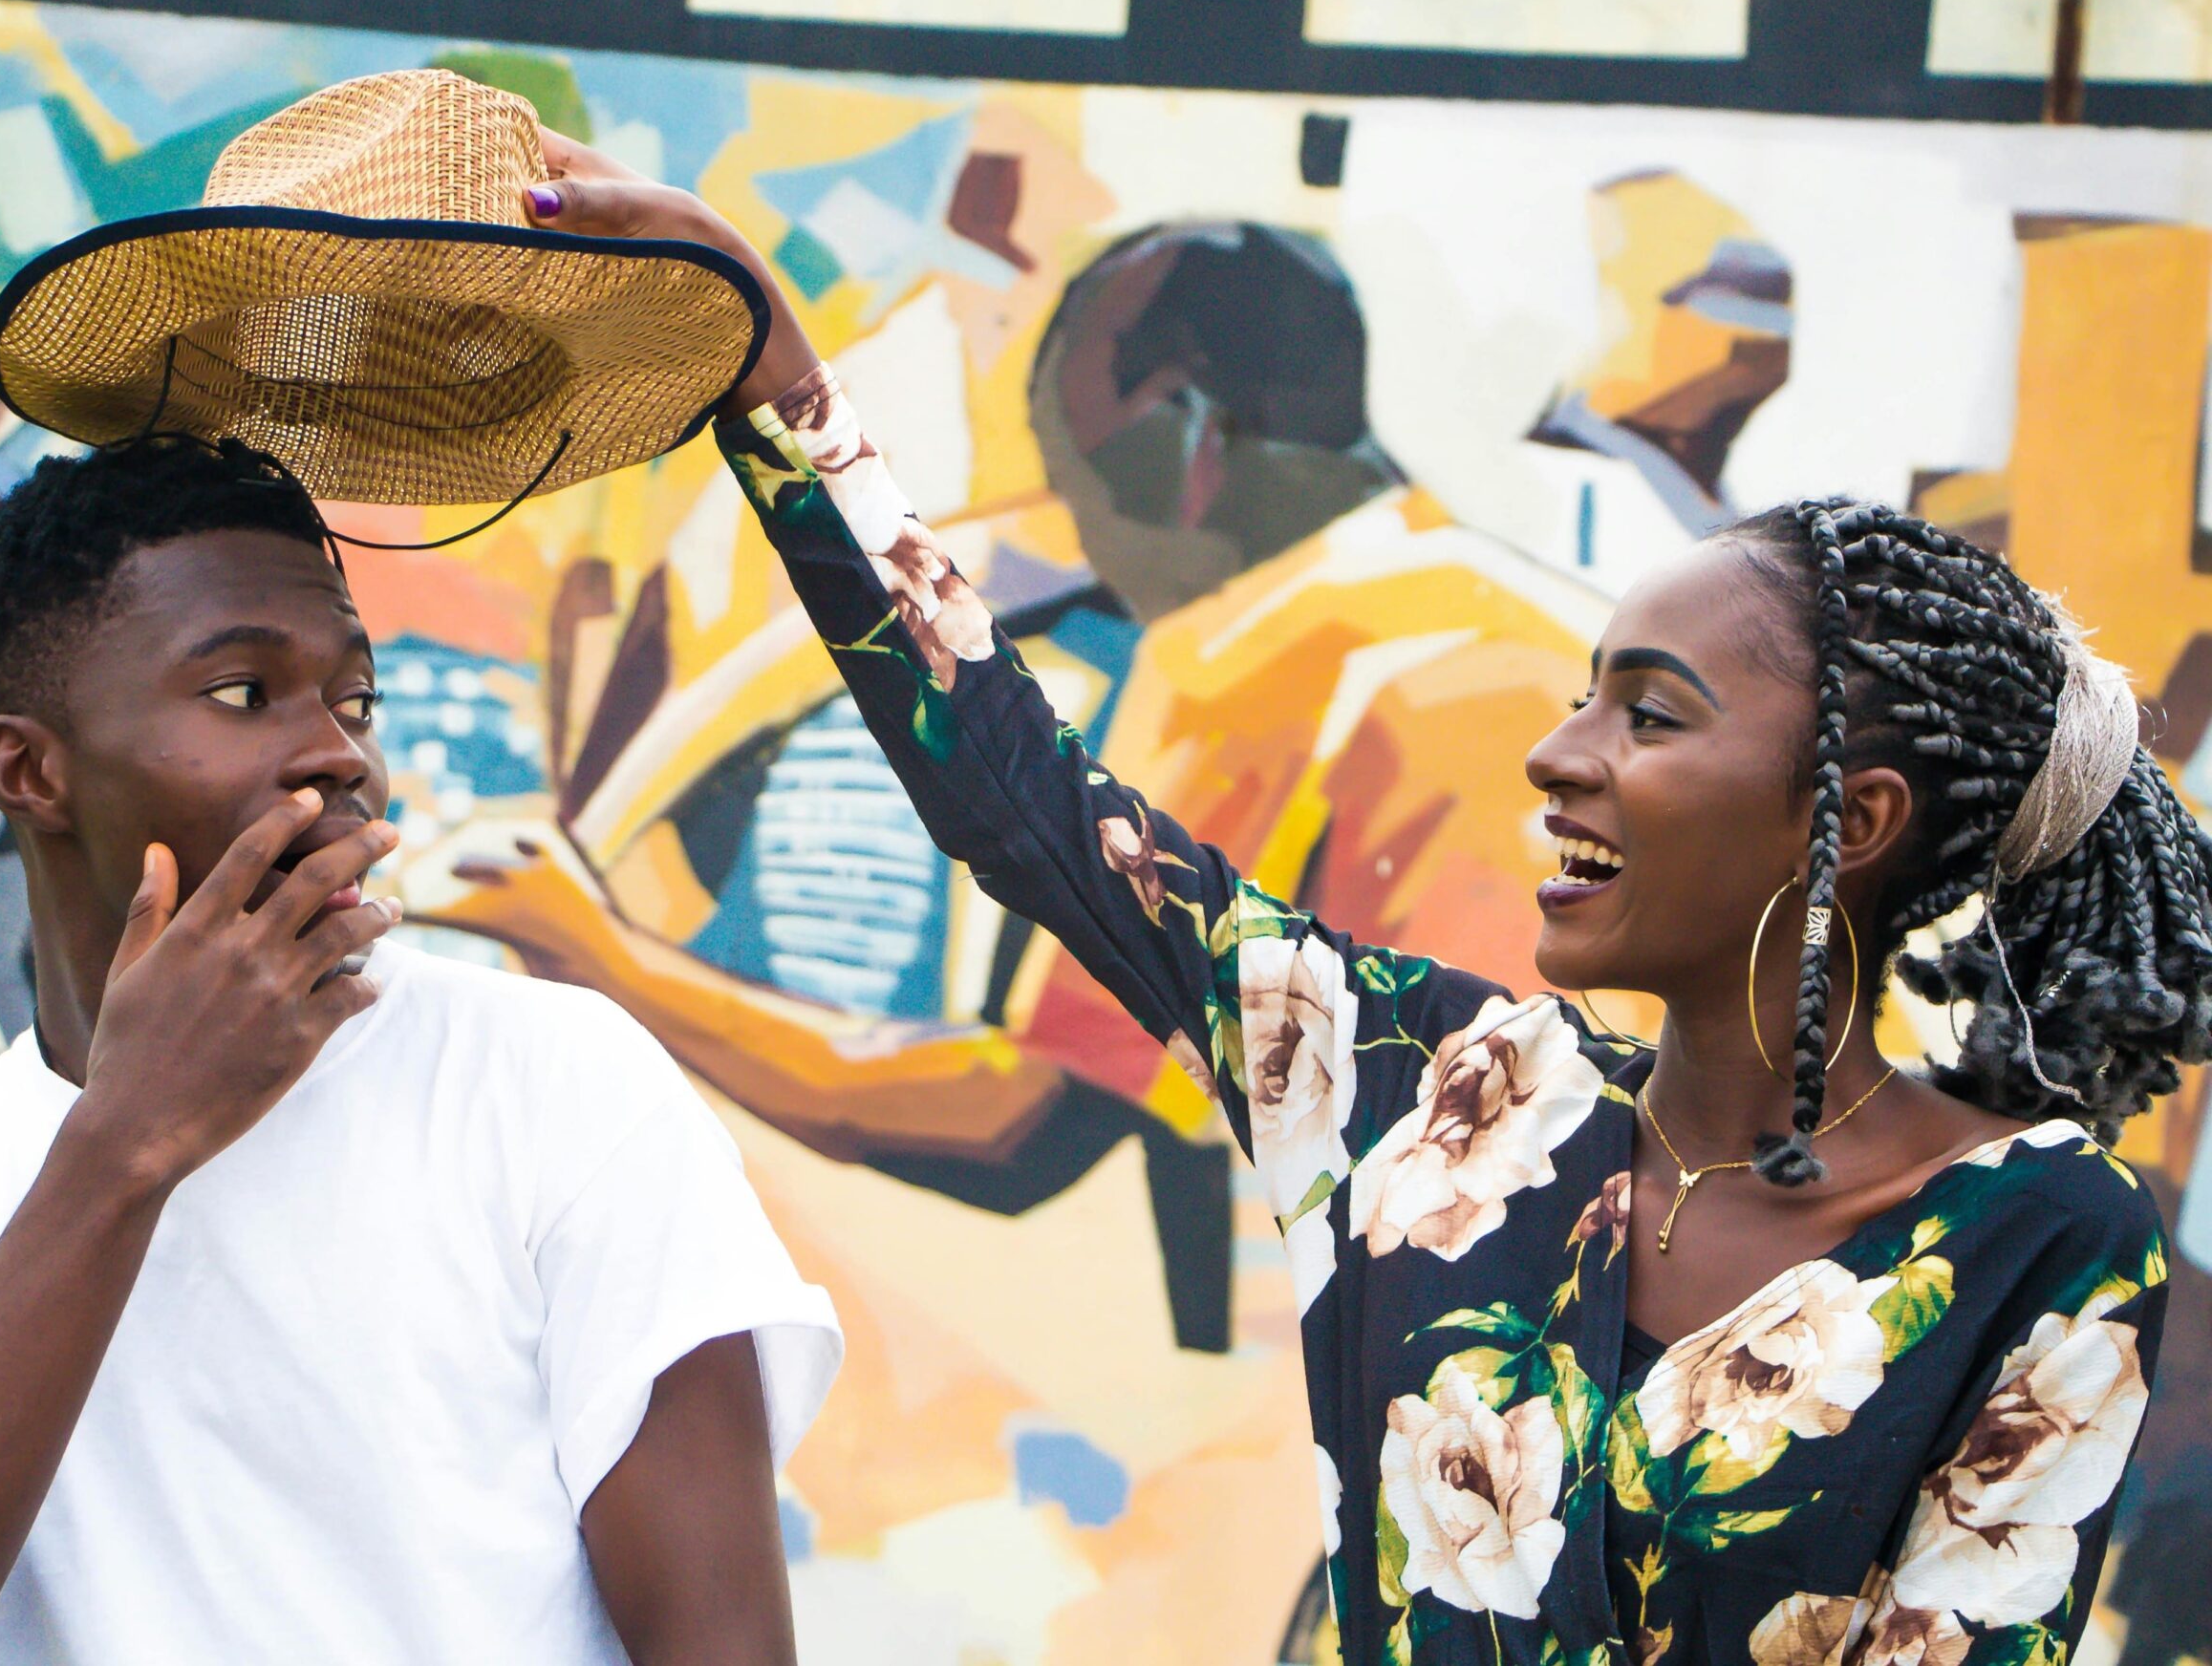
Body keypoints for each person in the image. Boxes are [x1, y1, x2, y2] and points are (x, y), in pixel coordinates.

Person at [517, 144, 2208, 1661]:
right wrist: (781, 389)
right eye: (1581, 694)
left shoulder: (2039, 1239)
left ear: (1851, 821)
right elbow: (1028, 801)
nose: (1560, 754)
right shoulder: (1437, 1092)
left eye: (1652, 713)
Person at [0, 430, 842, 1663]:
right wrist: (124, 1144)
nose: (341, 750)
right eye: (242, 693)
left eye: (355, 697)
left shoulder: (553, 1086)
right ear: (30, 771)